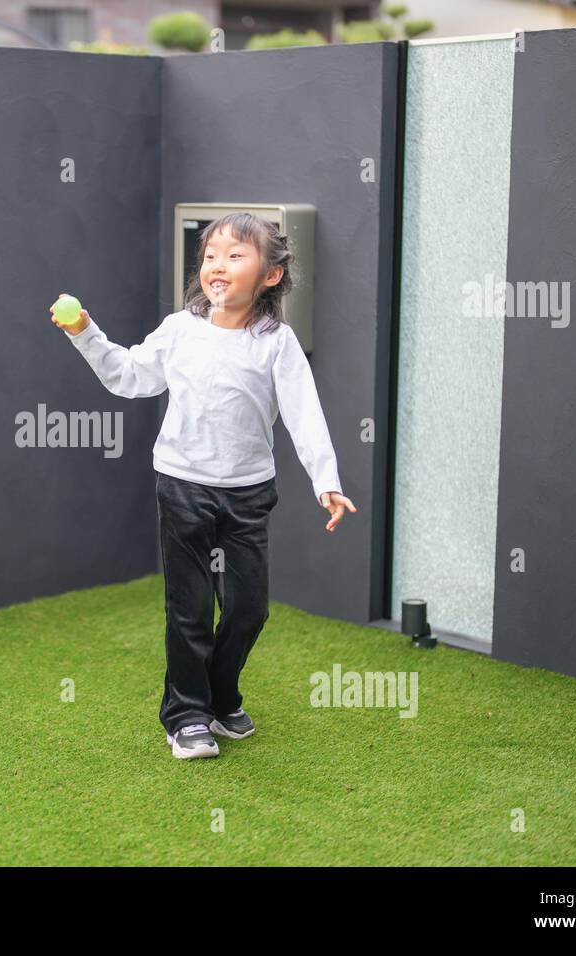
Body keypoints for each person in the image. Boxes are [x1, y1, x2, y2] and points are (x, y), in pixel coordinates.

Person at [49, 212, 357, 760]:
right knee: (189, 608)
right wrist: (85, 334)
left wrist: (325, 482)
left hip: (248, 492)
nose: (218, 265)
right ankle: (187, 716)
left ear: (270, 275)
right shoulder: (179, 330)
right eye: (211, 254)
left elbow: (304, 414)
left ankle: (219, 696)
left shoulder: (276, 342)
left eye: (236, 255)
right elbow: (128, 377)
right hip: (183, 487)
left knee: (249, 609)